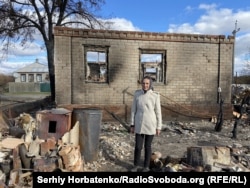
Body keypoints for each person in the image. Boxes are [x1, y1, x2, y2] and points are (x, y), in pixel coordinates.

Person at [130, 76, 162, 172]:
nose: (145, 85)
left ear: (150, 84)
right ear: (141, 84)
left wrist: (158, 127)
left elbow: (158, 112)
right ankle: (136, 165)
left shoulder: (155, 95)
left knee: (147, 146)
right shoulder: (137, 94)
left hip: (150, 124)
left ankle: (146, 166)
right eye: (143, 83)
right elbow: (133, 110)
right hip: (139, 123)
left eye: (147, 83)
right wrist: (132, 124)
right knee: (138, 146)